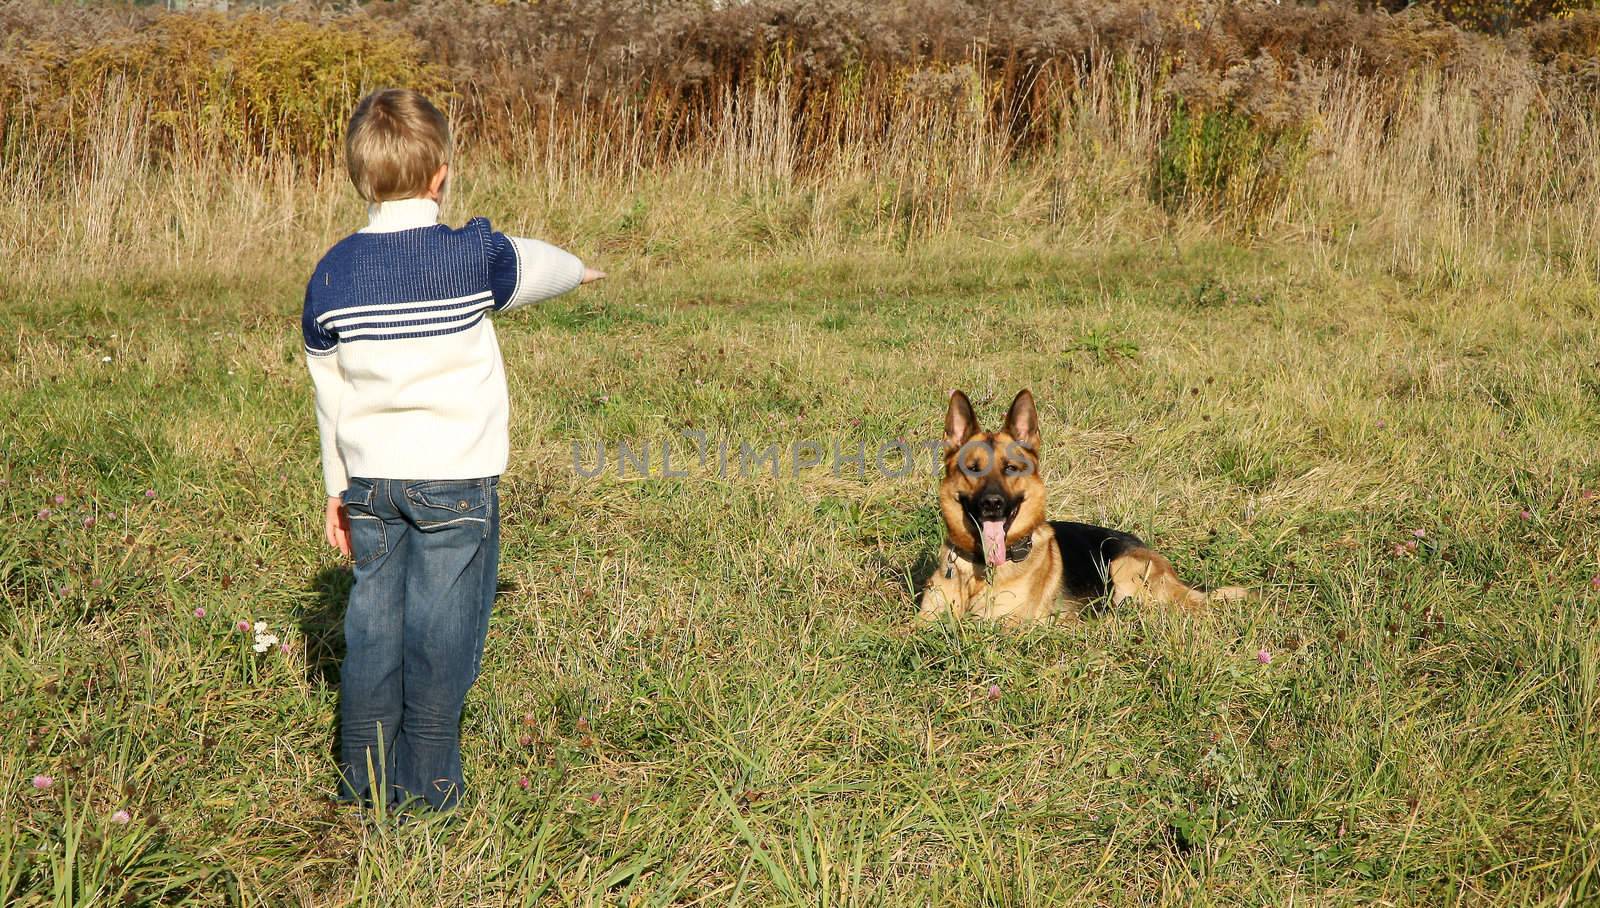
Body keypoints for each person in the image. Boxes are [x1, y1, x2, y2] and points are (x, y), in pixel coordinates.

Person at [302, 88, 604, 811]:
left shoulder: (333, 274)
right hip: (455, 482)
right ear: (441, 173)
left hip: (372, 480)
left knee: (374, 618)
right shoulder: (472, 255)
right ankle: (430, 784)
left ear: (359, 178)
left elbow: (329, 391)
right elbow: (541, 264)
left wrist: (336, 487)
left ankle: (362, 778)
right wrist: (582, 270)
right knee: (442, 624)